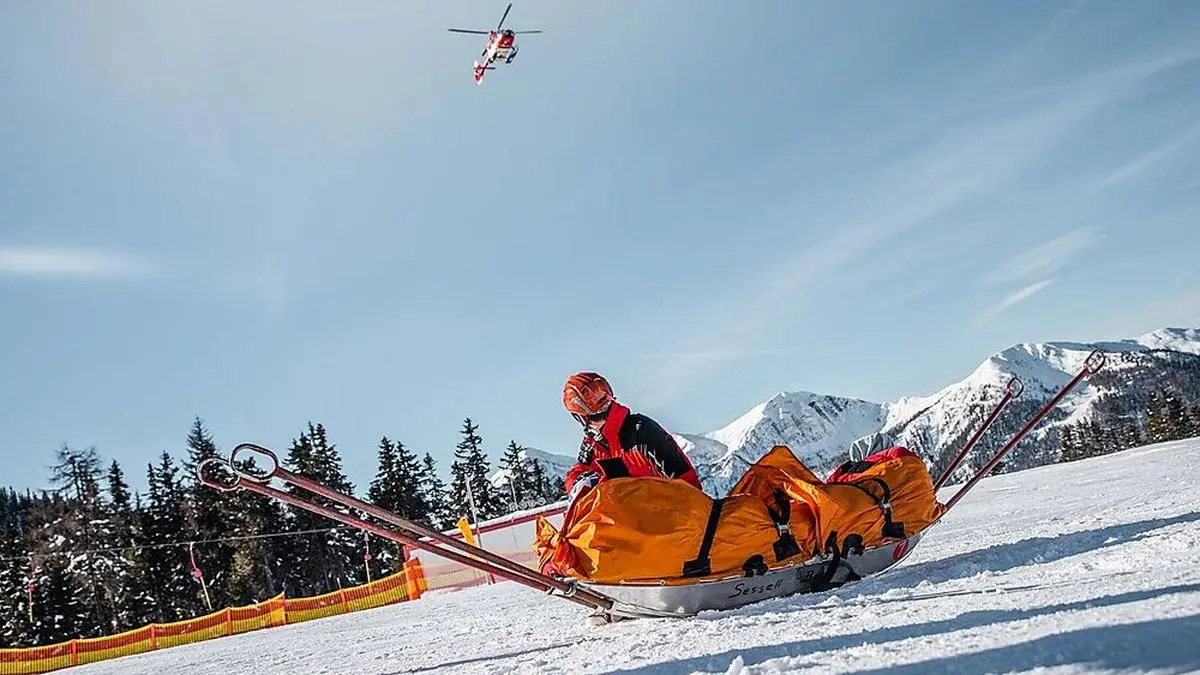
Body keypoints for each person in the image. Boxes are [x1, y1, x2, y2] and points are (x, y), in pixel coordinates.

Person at [561, 371, 703, 506]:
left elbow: (687, 480)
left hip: (667, 517)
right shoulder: (593, 445)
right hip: (627, 523)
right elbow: (576, 476)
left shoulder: (641, 431)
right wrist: (579, 483)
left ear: (581, 417)